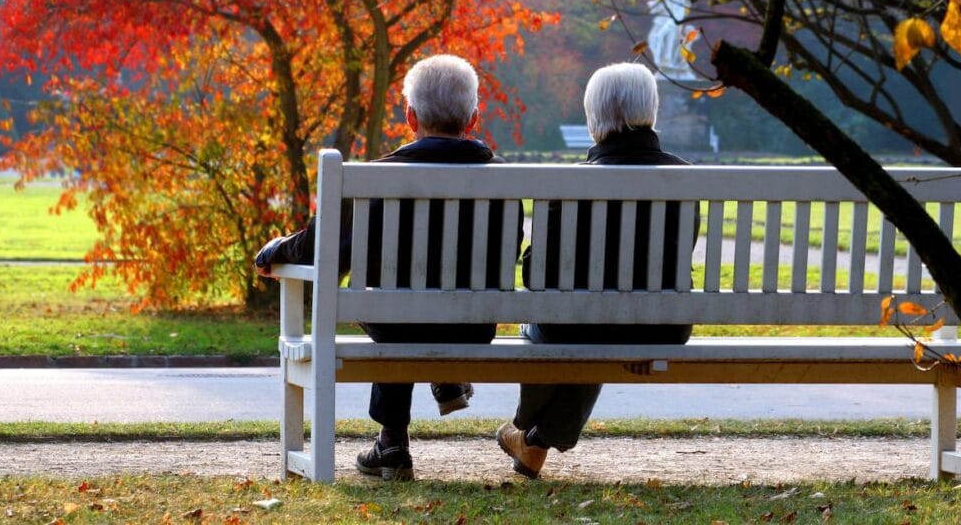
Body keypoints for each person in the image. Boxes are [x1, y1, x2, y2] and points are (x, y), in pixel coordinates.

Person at [255, 54, 522, 481]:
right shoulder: (505, 181)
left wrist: (276, 249)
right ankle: (447, 376)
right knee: (410, 301)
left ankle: (393, 444)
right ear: (474, 118)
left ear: (410, 116)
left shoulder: (375, 180)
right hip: (472, 327)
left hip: (396, 325)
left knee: (390, 299)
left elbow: (323, 249)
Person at [496, 62, 699, 479]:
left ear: (593, 119)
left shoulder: (569, 186)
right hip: (660, 329)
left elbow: (537, 277)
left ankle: (524, 425)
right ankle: (534, 442)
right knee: (597, 323)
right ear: (651, 111)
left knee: (568, 323)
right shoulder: (685, 179)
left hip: (577, 328)